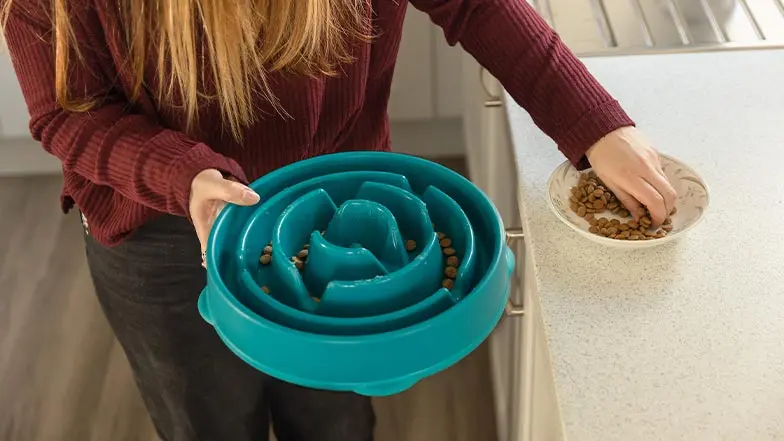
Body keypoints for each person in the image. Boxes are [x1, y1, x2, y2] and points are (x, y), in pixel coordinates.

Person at [1, 0, 677, 440]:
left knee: (332, 417)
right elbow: (68, 111)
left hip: (341, 205)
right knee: (205, 419)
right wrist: (188, 177)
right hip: (162, 230)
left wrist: (594, 124)